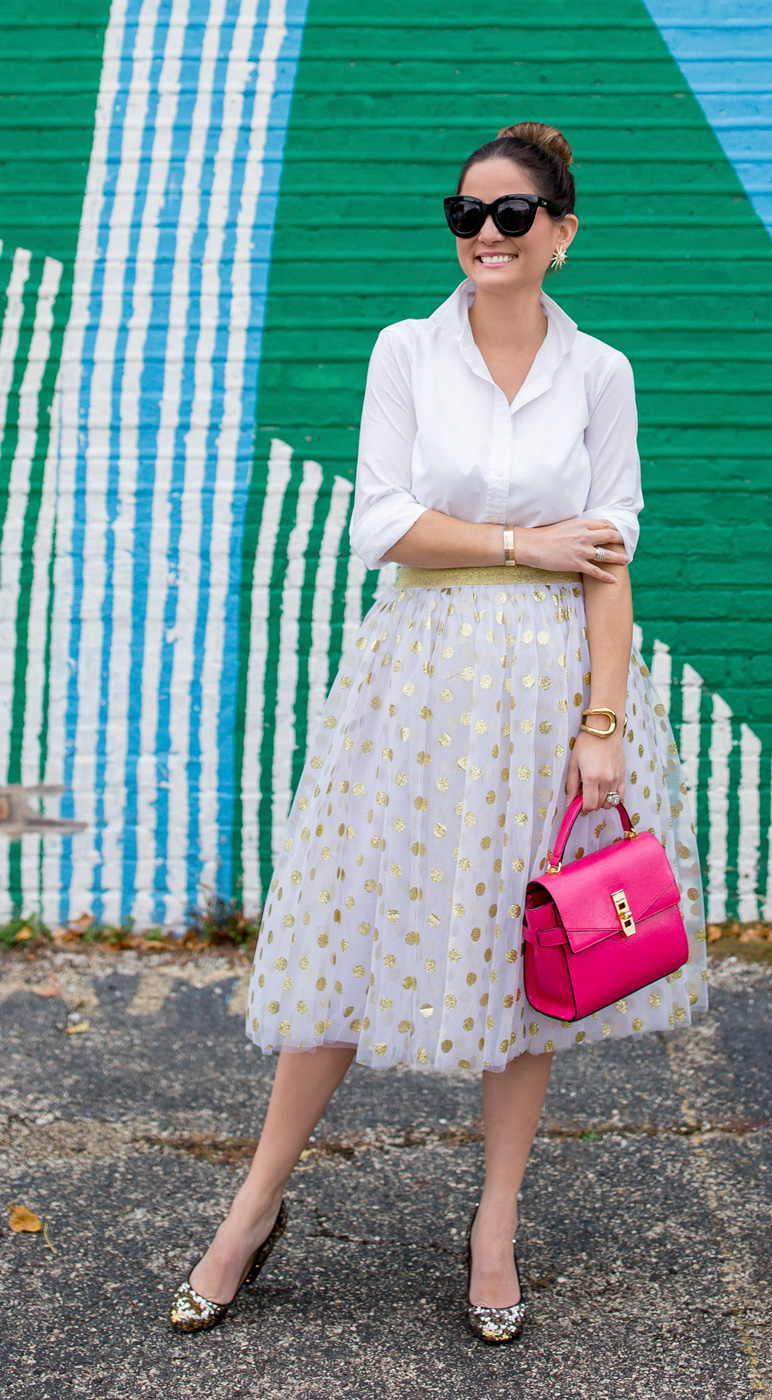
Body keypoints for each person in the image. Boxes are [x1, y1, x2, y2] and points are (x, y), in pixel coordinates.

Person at [169, 120, 708, 1344]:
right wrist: (524, 542)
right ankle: (252, 1208)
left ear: (560, 233)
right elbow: (385, 522)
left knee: (532, 962)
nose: (485, 235)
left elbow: (610, 562)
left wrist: (603, 723)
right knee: (353, 935)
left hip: (550, 687)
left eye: (512, 215)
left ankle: (495, 1225)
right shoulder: (406, 350)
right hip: (420, 684)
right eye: (466, 213)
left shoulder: (601, 374)